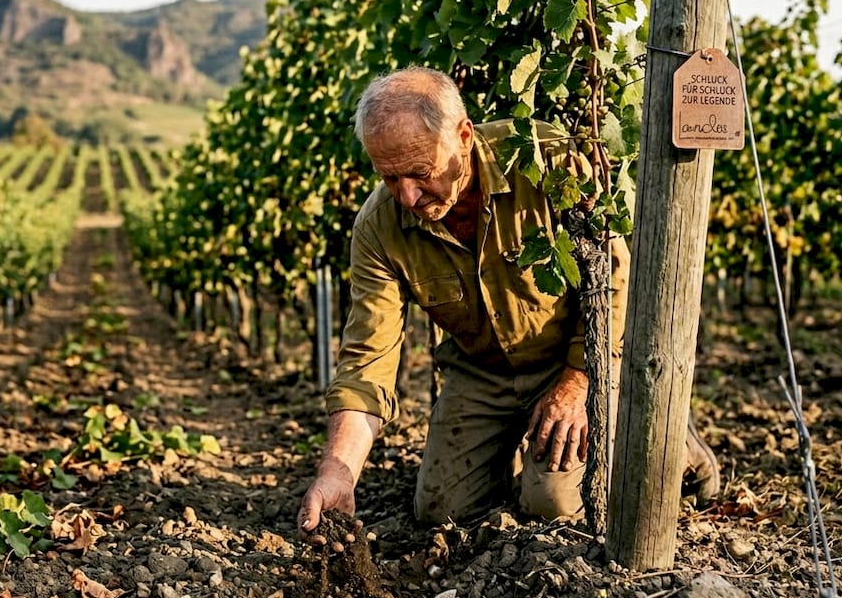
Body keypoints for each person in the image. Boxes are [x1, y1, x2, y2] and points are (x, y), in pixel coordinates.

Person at [296, 66, 720, 534]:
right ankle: (526, 462)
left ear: (463, 135)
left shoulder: (546, 161)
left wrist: (579, 383)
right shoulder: (379, 227)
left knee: (554, 504)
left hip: (571, 360)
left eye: (420, 173)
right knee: (441, 512)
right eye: (390, 178)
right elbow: (367, 362)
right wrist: (338, 470)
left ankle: (662, 435)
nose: (409, 196)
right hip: (481, 374)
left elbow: (616, 280)